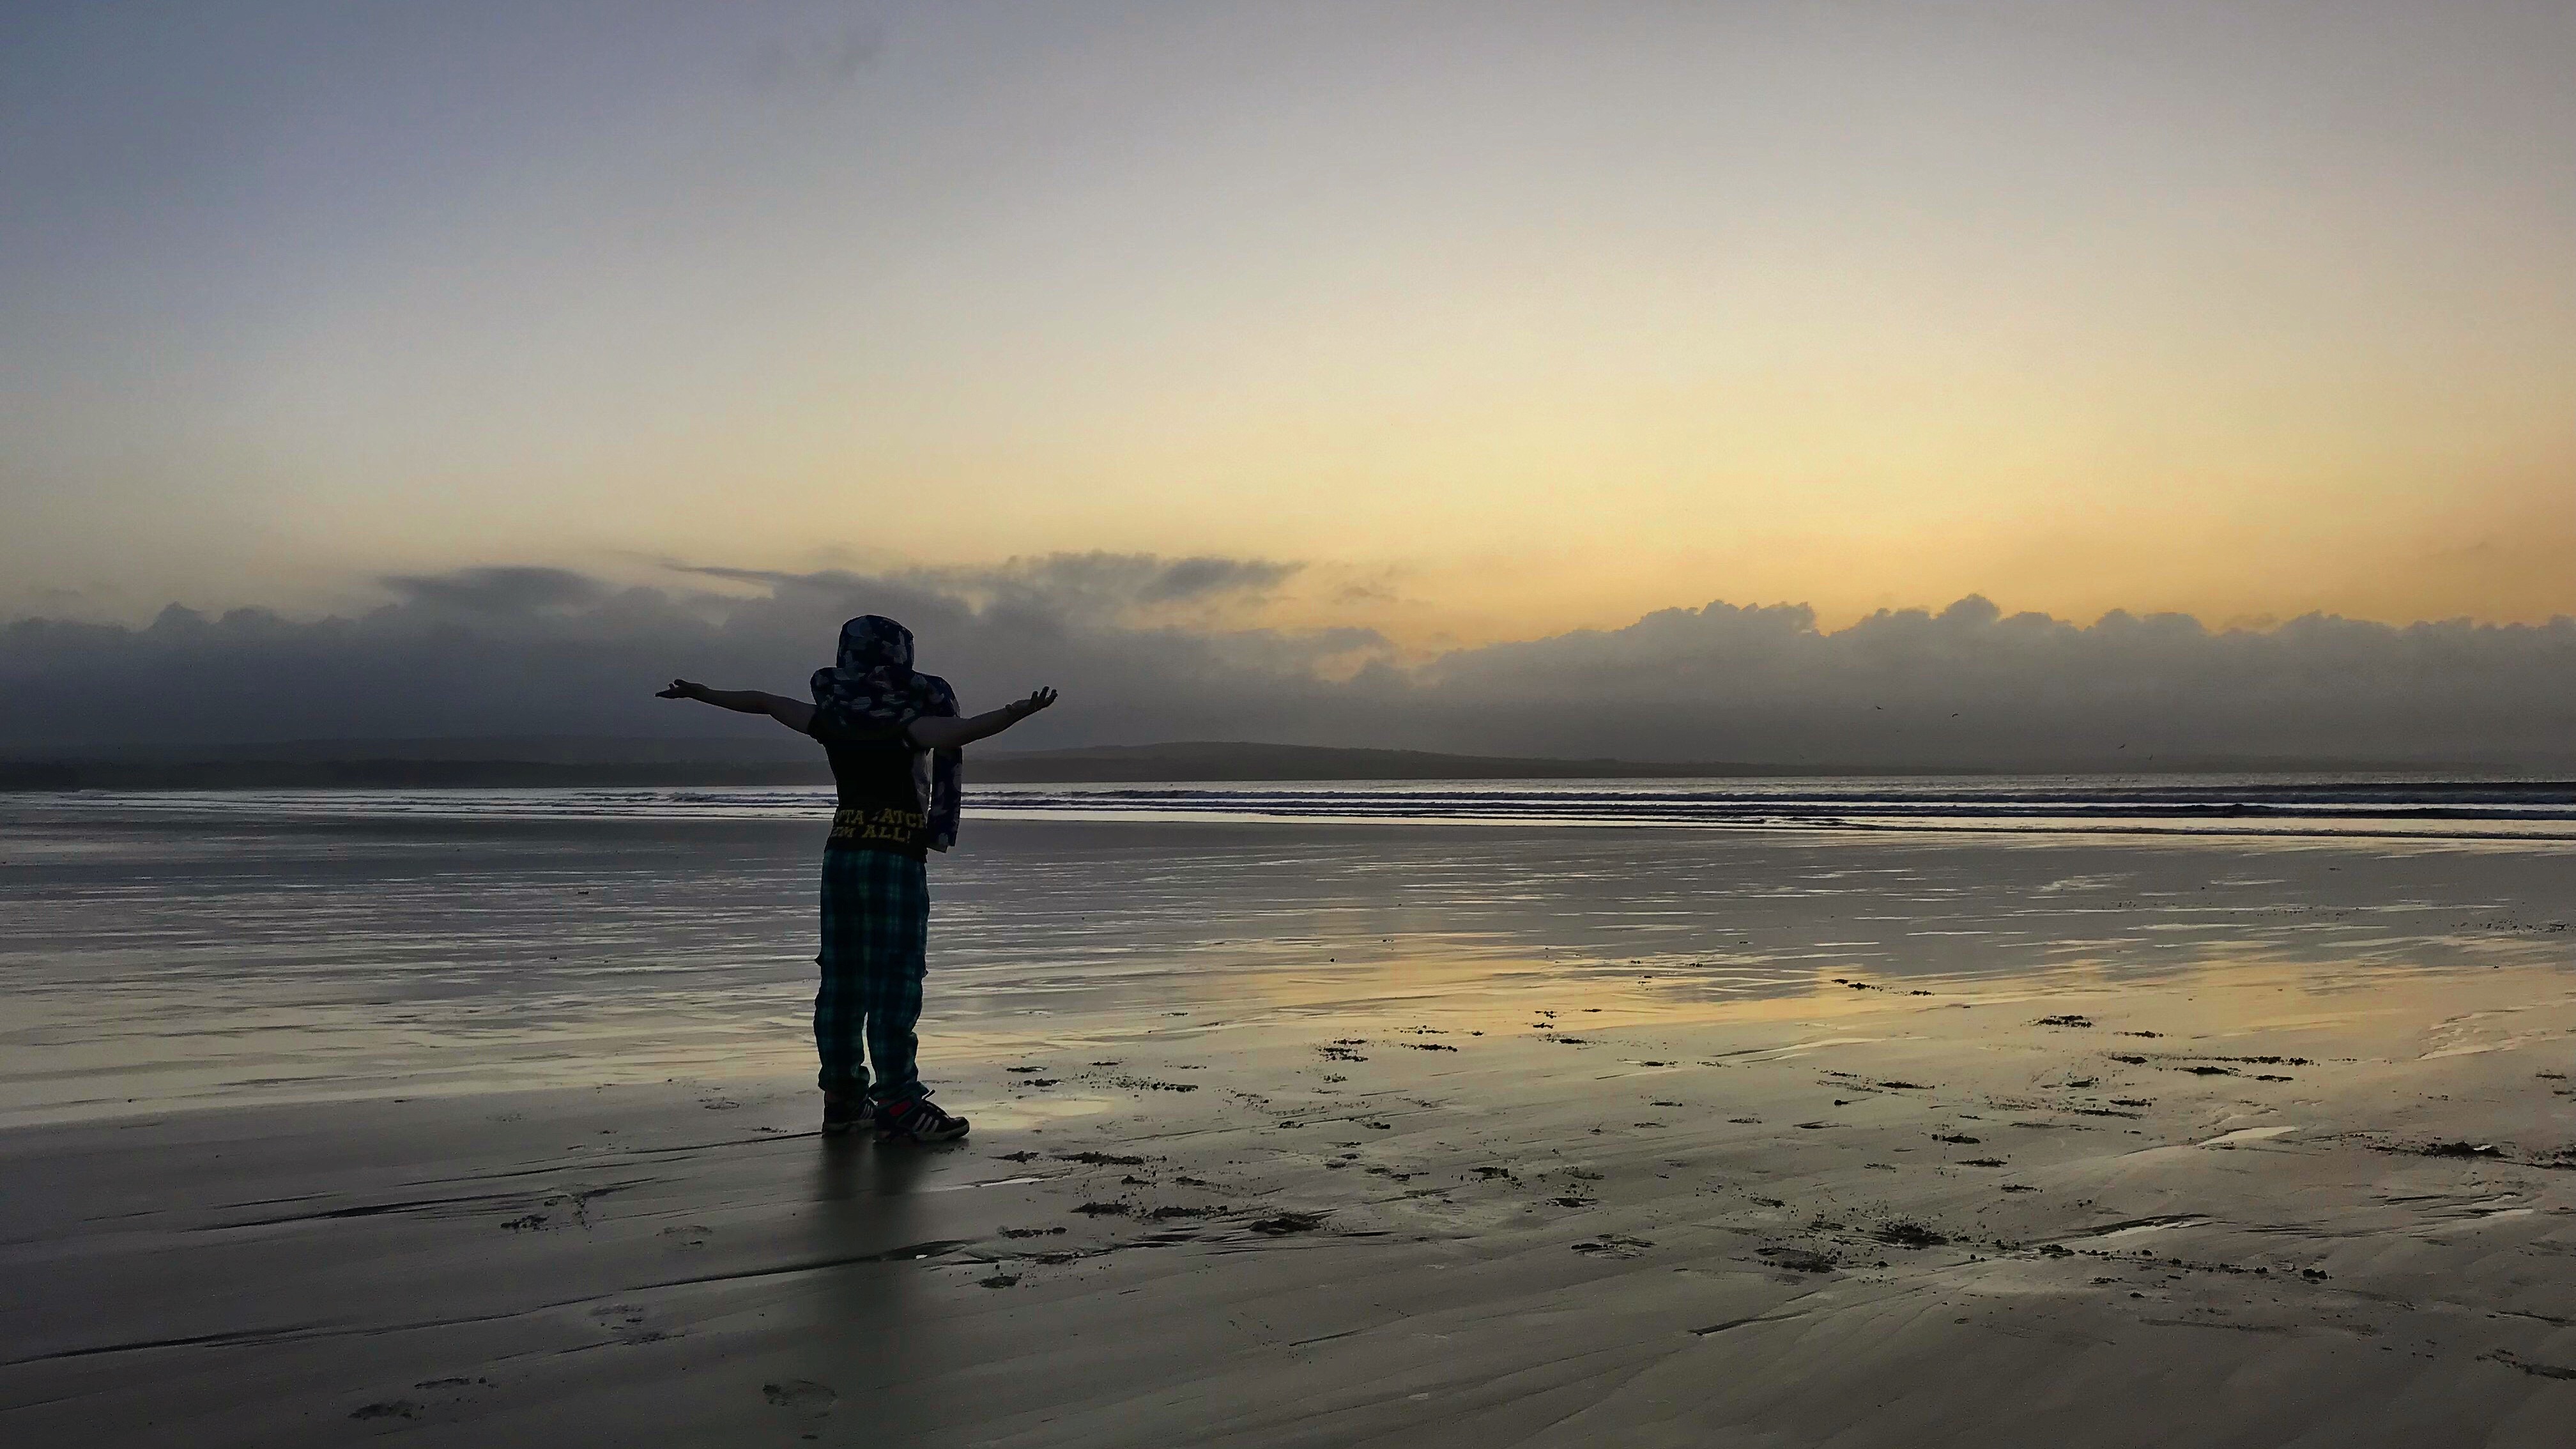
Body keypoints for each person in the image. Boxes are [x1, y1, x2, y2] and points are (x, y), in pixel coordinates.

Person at [658, 615, 1056, 1142]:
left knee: (842, 981)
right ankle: (898, 1103)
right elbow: (961, 732)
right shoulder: (905, 725)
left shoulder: (832, 720)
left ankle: (844, 1099)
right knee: (895, 979)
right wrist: (1016, 712)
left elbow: (765, 702)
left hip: (842, 857)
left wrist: (705, 694)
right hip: (894, 860)